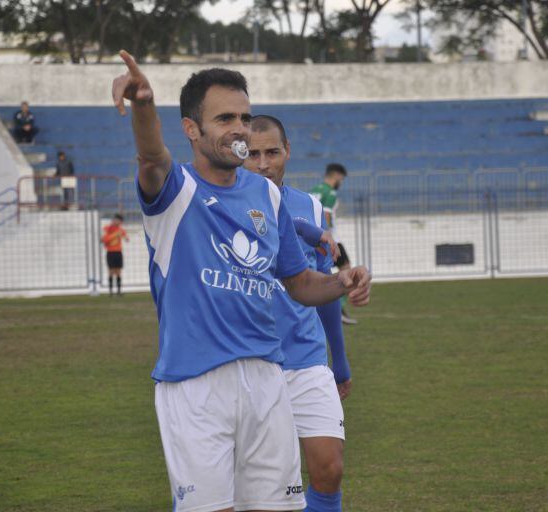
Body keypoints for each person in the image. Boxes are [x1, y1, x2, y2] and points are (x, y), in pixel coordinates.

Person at [111, 50, 371, 512]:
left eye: (245, 118)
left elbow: (299, 283)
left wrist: (342, 281)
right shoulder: (176, 193)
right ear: (192, 128)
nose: (239, 129)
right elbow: (152, 158)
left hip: (267, 379)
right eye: (225, 117)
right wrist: (144, 106)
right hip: (196, 383)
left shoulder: (266, 195)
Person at [245, 115, 351, 512]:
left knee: (329, 467)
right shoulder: (225, 203)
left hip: (306, 357)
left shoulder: (310, 203)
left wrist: (338, 360)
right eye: (252, 153)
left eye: (272, 152)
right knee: (267, 486)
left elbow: (320, 285)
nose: (263, 162)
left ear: (287, 152)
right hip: (254, 361)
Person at [310, 164, 357, 325]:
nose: (341, 182)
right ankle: (338, 309)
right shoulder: (330, 192)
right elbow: (326, 215)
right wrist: (327, 237)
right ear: (336, 176)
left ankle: (328, 311)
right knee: (347, 273)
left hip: (312, 240)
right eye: (341, 179)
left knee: (323, 276)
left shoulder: (314, 190)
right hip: (328, 240)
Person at [101, 213, 129, 296]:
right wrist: (115, 235)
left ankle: (118, 291)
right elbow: (103, 240)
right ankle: (110, 291)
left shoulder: (120, 229)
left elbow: (126, 238)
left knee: (118, 272)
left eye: (119, 221)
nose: (118, 222)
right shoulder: (107, 228)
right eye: (117, 220)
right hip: (110, 252)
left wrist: (125, 237)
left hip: (118, 252)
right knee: (111, 271)